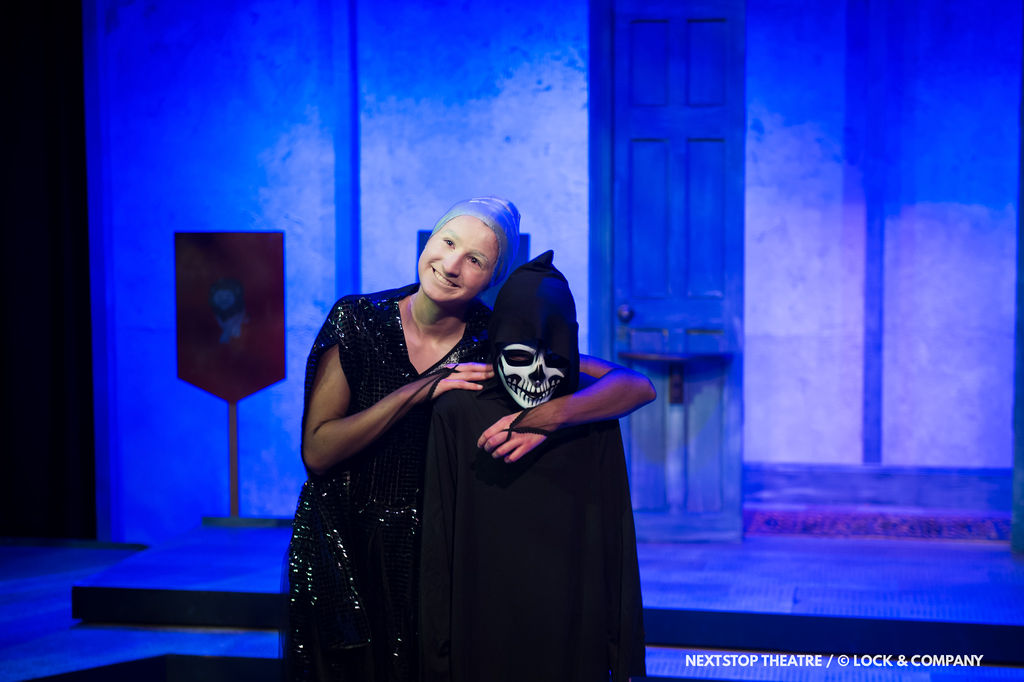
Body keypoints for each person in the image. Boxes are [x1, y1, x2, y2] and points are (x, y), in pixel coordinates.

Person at [284, 198, 655, 682]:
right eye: (447, 242)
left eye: (475, 260)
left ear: (492, 278)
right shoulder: (358, 318)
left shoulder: (491, 339)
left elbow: (635, 386)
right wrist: (422, 388)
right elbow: (318, 451)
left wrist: (547, 417)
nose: (452, 264)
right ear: (429, 241)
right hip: (342, 542)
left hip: (424, 552)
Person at [419, 251, 647, 682]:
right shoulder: (458, 411)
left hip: (571, 618)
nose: (538, 375)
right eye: (522, 358)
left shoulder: (592, 414)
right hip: (484, 619)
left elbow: (616, 535)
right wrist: (436, 657)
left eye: (554, 359)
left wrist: (548, 417)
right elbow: (438, 535)